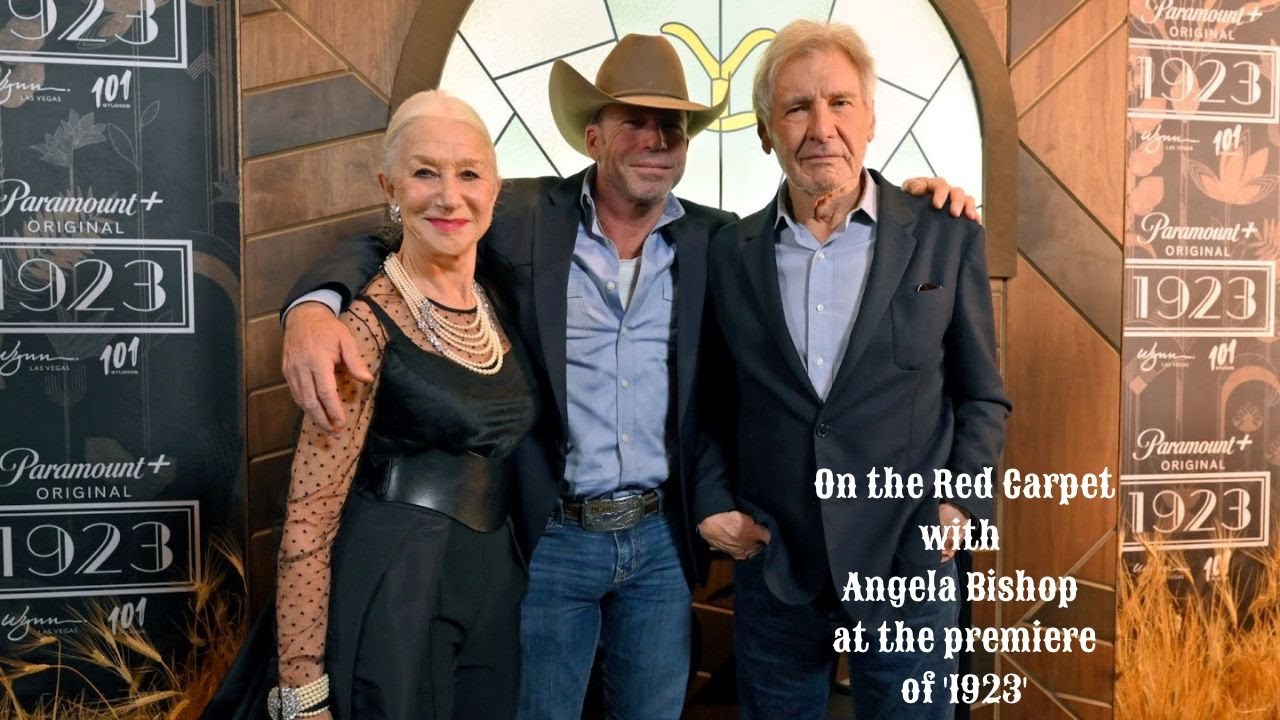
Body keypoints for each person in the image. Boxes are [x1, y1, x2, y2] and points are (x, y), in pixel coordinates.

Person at [279, 35, 977, 720]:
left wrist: (926, 196)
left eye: (671, 126)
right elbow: (402, 227)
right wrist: (314, 305)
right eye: (634, 122)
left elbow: (730, 393)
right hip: (551, 539)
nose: (655, 139)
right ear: (592, 137)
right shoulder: (519, 216)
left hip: (659, 546)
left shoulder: (719, 241)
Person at [694, 19, 1011, 720]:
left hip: (909, 558)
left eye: (839, 102)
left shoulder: (944, 232)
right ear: (766, 130)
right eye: (797, 107)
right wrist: (713, 499)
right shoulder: (729, 252)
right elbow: (712, 401)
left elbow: (983, 395)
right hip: (776, 565)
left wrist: (959, 503)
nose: (821, 126)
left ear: (870, 118)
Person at [268, 90, 535, 720]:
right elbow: (308, 514)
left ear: (495, 189)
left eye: (469, 173)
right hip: (398, 586)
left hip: (497, 583)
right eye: (424, 173)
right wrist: (301, 687)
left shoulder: (501, 298)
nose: (449, 196)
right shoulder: (358, 326)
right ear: (390, 185)